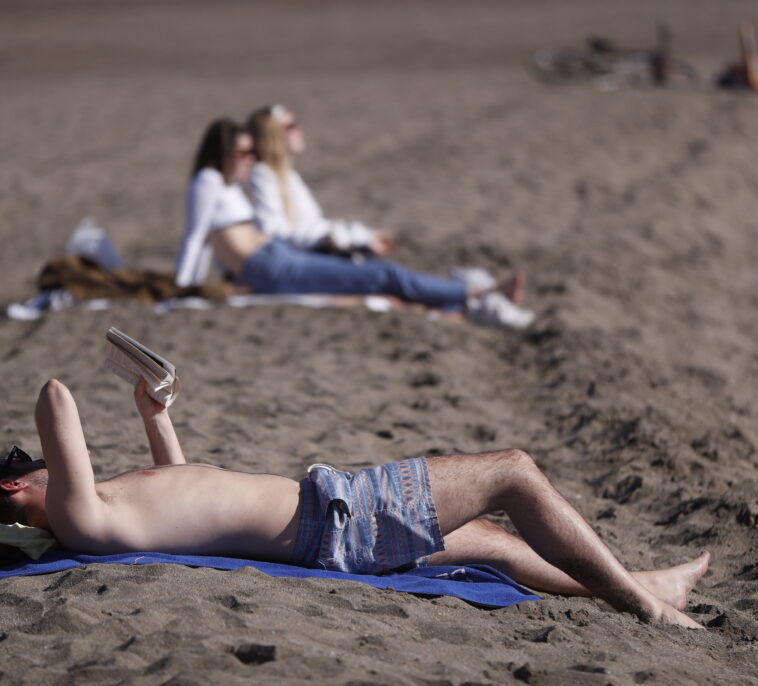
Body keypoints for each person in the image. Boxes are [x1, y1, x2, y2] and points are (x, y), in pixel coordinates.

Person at [0, 378, 709, 628]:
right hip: (342, 518)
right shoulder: (82, 517)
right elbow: (55, 397)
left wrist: (152, 412)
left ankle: (643, 585)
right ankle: (644, 606)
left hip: (331, 524)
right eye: (31, 466)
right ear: (14, 485)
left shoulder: (101, 517)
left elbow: (183, 494)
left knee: (490, 538)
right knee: (515, 472)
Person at [174, 118, 533, 329]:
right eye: (242, 153)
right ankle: (479, 295)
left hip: (274, 256)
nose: (250, 159)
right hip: (270, 265)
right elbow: (196, 239)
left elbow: (216, 243)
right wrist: (183, 291)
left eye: (252, 152)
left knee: (369, 275)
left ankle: (459, 306)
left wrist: (227, 278)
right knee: (383, 276)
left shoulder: (225, 184)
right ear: (219, 152)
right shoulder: (206, 181)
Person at [244, 104, 393, 257]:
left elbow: (314, 225)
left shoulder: (287, 175)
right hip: (299, 259)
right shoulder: (261, 175)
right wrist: (325, 240)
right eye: (291, 126)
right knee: (389, 274)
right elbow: (274, 231)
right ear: (272, 136)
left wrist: (364, 236)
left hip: (309, 252)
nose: (299, 129)